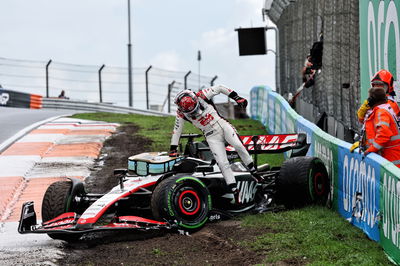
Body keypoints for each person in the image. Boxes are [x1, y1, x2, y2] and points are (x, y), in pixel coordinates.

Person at [169, 86, 263, 204]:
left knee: (238, 146)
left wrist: (236, 97)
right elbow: (177, 130)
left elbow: (219, 88)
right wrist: (173, 148)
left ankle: (254, 173)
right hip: (211, 136)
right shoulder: (181, 113)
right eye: (190, 111)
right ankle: (235, 191)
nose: (195, 112)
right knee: (222, 163)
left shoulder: (202, 95)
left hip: (222, 125)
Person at [353, 87, 400, 168]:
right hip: (391, 155)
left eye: (369, 98)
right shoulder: (385, 108)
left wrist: (371, 149)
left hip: (390, 158)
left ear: (372, 100)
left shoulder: (381, 112)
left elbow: (384, 135)